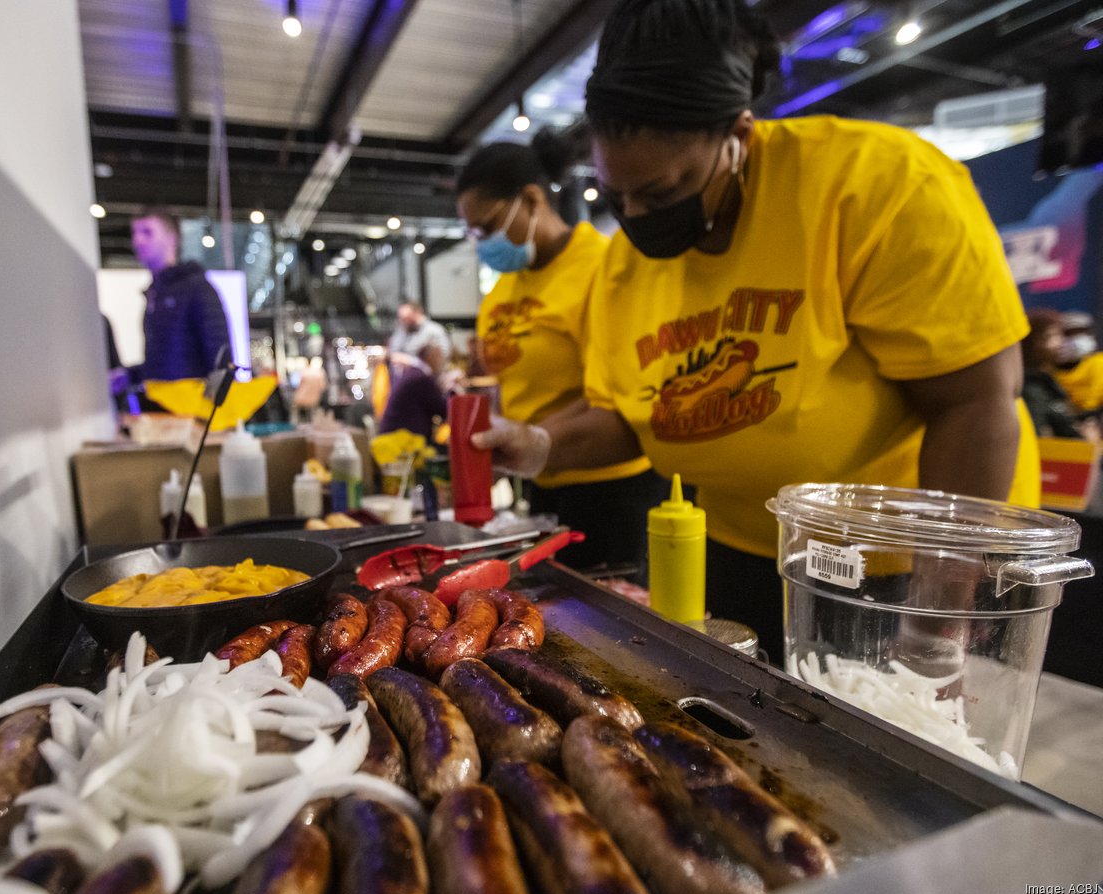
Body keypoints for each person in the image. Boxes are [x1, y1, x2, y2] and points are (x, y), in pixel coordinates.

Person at [473, 0, 1040, 663]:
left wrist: (937, 613)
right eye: (616, 195)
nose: (634, 216)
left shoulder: (871, 185)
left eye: (660, 192)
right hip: (741, 549)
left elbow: (975, 401)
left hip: (905, 566)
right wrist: (542, 445)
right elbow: (636, 416)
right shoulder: (626, 268)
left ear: (737, 135)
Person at [457, 132, 673, 571]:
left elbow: (617, 390)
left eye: (487, 226)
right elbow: (509, 389)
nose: (480, 242)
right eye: (472, 232)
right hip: (541, 483)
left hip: (611, 485)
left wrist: (536, 440)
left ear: (532, 200)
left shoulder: (606, 266)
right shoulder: (498, 295)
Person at [130, 207, 231, 381]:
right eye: (135, 233)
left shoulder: (197, 287)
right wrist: (130, 376)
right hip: (164, 403)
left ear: (172, 238)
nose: (138, 240)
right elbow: (161, 363)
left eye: (147, 232)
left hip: (192, 405)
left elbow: (220, 356)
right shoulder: (155, 294)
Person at [1022, 309, 1100, 439]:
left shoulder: (1048, 381)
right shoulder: (1032, 389)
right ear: (1032, 343)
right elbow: (1039, 437)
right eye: (1051, 336)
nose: (1060, 343)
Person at [378, 340, 448, 443]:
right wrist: (452, 391)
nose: (441, 361)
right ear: (431, 357)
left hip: (392, 436)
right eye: (439, 357)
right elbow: (441, 409)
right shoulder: (421, 378)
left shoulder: (413, 373)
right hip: (401, 443)